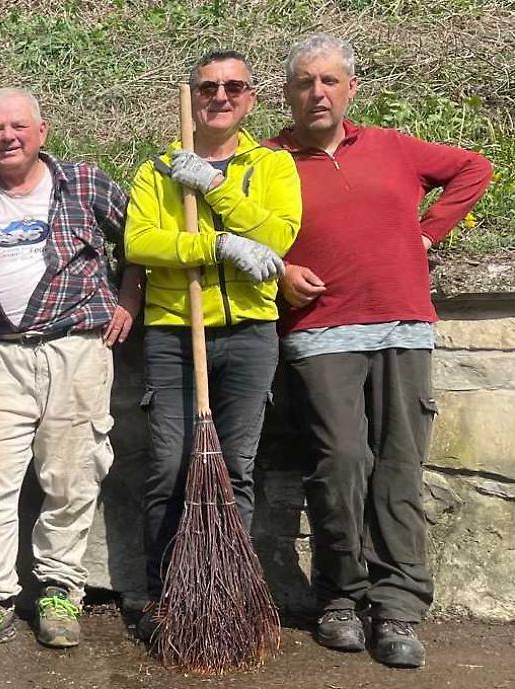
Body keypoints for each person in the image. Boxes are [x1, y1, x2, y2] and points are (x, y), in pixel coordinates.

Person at [268, 34, 492, 669]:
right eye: (306, 82)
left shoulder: (392, 147)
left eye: (330, 81)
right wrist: (280, 269)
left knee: (398, 471)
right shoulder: (268, 160)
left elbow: (475, 168)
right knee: (339, 466)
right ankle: (340, 595)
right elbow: (235, 230)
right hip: (320, 330)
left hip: (402, 328)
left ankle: (398, 606)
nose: (318, 92)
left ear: (350, 90)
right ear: (288, 93)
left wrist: (427, 233)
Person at [0, 87, 142, 654]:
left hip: (76, 351)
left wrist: (130, 301)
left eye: (18, 127)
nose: (8, 138)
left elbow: (138, 242)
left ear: (41, 133)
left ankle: (59, 593)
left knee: (72, 479)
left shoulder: (87, 183)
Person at [123, 50, 301, 642]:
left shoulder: (272, 165)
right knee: (171, 467)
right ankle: (164, 598)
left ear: (250, 97)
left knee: (235, 469)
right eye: (207, 88)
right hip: (176, 331)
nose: (219, 97)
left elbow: (277, 235)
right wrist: (215, 248)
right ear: (193, 96)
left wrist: (217, 190)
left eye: (233, 87)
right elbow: (141, 242)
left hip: (249, 333)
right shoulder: (158, 170)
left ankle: (222, 600)